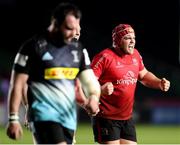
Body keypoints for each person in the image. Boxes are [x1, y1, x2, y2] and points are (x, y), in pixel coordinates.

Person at [6, 2, 101, 144]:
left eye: (77, 29)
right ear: (55, 24)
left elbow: (89, 81)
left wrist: (93, 96)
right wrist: (13, 118)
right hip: (42, 115)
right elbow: (17, 84)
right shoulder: (33, 47)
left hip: (68, 118)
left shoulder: (78, 50)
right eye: (69, 28)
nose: (74, 33)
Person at [89, 24, 170, 144]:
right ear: (117, 41)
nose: (132, 41)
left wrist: (158, 82)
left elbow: (143, 75)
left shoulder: (135, 55)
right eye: (127, 38)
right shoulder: (104, 57)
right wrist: (100, 89)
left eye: (134, 38)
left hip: (127, 118)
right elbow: (87, 82)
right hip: (106, 118)